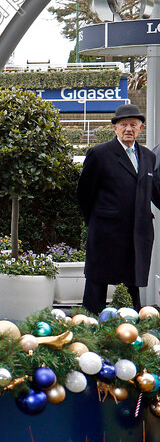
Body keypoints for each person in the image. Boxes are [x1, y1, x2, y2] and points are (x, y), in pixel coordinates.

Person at [77, 103, 160, 313]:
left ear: (141, 128)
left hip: (137, 235)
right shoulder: (99, 154)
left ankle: (132, 334)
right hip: (106, 234)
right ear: (114, 128)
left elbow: (152, 191)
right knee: (97, 286)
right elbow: (84, 194)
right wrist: (96, 221)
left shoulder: (149, 157)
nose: (128, 129)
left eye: (133, 124)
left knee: (133, 288)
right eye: (123, 124)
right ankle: (88, 331)